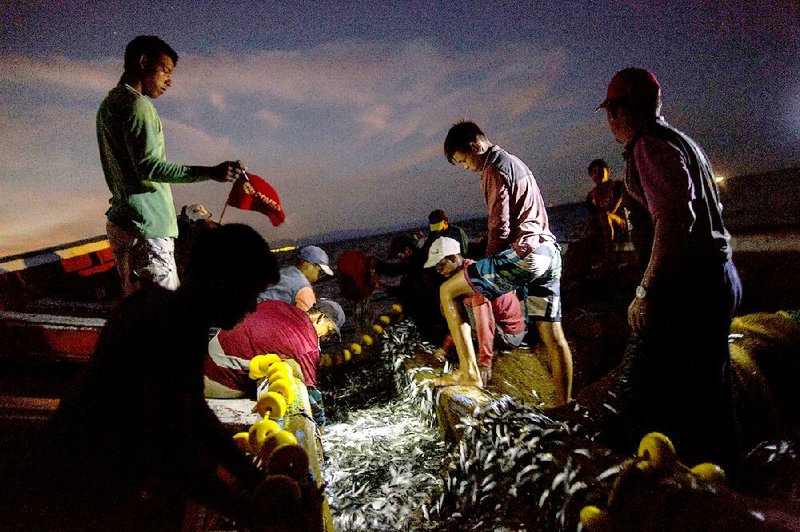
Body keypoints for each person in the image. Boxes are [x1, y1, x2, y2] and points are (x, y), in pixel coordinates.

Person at [2, 224, 282, 530]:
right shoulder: (172, 326)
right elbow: (169, 448)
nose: (253, 306)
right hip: (77, 487)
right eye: (251, 292)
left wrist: (252, 478)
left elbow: (194, 413)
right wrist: (252, 513)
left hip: (67, 467)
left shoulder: (159, 308)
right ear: (223, 280)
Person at [596, 67, 742, 471]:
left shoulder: (648, 147)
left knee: (640, 392)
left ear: (621, 111)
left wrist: (646, 290)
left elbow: (676, 217)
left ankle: (677, 485)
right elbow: (712, 210)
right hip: (720, 274)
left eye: (610, 112)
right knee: (712, 387)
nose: (609, 121)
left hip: (690, 287)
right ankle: (727, 475)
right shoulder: (684, 143)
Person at [97, 35, 246, 297]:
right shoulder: (138, 106)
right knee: (164, 322)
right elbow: (149, 167)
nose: (169, 81)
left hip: (122, 223)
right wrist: (211, 172)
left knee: (138, 314)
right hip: (148, 227)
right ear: (143, 62)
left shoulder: (109, 104)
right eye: (164, 70)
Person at [439, 121, 573, 405]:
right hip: (549, 253)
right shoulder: (517, 163)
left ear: (475, 146)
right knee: (553, 335)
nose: (467, 168)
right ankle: (565, 404)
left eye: (464, 161)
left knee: (450, 290)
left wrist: (485, 267)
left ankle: (470, 372)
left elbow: (499, 227)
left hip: (526, 254)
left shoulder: (493, 169)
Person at [204, 298, 345, 427]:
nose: (328, 338)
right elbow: (312, 396)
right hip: (217, 378)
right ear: (319, 318)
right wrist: (320, 428)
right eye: (330, 331)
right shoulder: (307, 345)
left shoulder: (277, 305)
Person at [426, 236, 527, 385]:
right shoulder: (469, 271)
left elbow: (484, 320)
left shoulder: (474, 281)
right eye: (436, 268)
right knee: (450, 306)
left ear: (454, 258)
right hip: (506, 327)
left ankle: (478, 364)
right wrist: (445, 347)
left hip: (510, 335)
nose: (439, 271)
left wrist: (485, 362)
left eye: (441, 265)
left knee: (457, 305)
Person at [258, 245, 334, 311]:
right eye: (319, 271)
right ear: (308, 265)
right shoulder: (303, 287)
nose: (318, 276)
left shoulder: (286, 271)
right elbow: (307, 319)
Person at [584, 158, 628, 257]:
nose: (598, 174)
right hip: (602, 224)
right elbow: (592, 215)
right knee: (589, 224)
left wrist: (605, 214)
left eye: (600, 170)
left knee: (605, 215)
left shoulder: (617, 186)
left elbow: (614, 208)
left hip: (620, 222)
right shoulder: (591, 195)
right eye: (594, 172)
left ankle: (609, 250)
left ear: (607, 170)